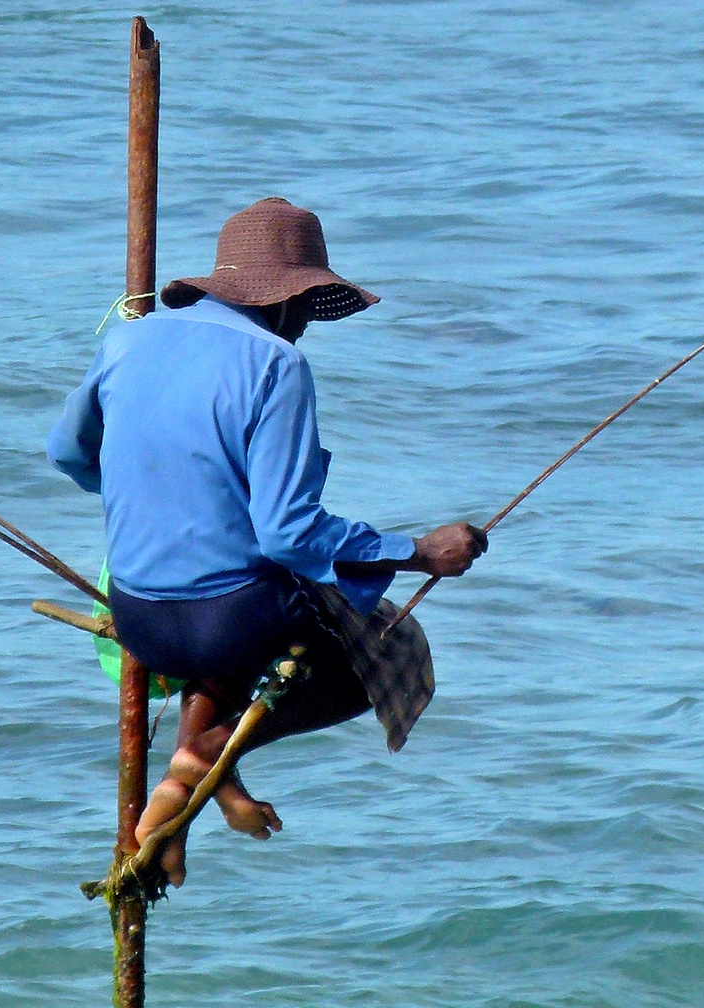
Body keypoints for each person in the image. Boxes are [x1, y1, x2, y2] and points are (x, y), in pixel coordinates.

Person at [47, 197, 485, 887]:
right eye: (308, 304)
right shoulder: (277, 367)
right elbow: (289, 532)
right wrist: (419, 552)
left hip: (137, 618)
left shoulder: (129, 339)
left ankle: (189, 777)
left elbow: (69, 453)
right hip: (228, 620)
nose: (308, 321)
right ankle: (213, 750)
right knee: (387, 647)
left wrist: (165, 501)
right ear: (282, 301)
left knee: (231, 642)